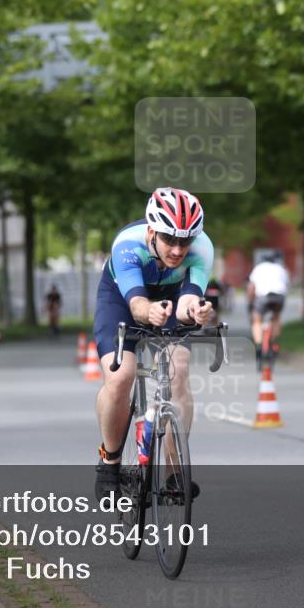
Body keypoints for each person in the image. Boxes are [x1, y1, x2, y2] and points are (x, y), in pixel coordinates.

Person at [92, 187, 214, 502]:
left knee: (179, 371)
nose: (177, 250)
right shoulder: (127, 246)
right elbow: (137, 307)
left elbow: (188, 299)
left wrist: (195, 311)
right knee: (121, 377)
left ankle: (174, 473)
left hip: (170, 299)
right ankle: (110, 463)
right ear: (151, 231)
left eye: (184, 242)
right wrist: (150, 313)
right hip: (123, 299)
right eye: (169, 240)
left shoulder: (202, 249)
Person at [247, 252, 289, 364]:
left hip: (263, 296)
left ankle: (259, 345)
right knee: (276, 318)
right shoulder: (281, 268)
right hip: (279, 297)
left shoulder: (258, 268)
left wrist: (251, 301)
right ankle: (274, 343)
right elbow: (286, 286)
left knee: (257, 321)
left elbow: (251, 287)